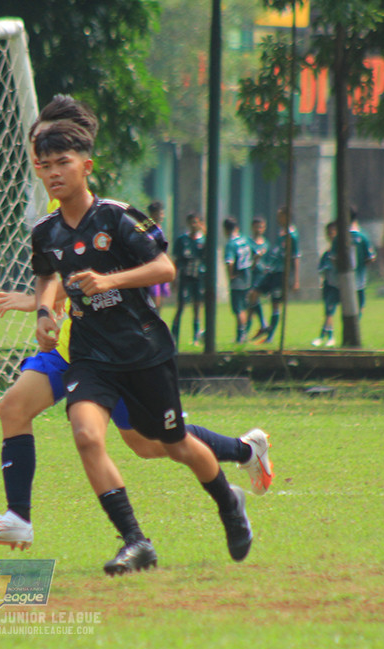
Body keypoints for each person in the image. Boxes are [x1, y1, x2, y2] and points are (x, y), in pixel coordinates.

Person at [31, 120, 254, 576]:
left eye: (63, 163)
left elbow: (165, 269)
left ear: (86, 166)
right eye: (45, 165)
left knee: (173, 444)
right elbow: (46, 276)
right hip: (91, 355)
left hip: (143, 351)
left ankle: (229, 503)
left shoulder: (118, 216)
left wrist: (109, 280)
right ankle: (135, 541)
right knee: (87, 435)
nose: (53, 173)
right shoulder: (46, 232)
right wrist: (43, 313)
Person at [0, 287, 273, 551]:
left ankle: (245, 450)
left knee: (148, 443)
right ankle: (18, 517)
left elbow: (93, 269)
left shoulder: (111, 219)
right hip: (70, 348)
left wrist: (39, 300)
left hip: (116, 354)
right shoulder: (53, 220)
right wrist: (45, 304)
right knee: (13, 408)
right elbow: (59, 267)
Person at [249, 207, 299, 343]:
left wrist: (295, 280)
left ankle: (269, 336)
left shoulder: (292, 235)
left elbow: (295, 257)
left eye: (280, 216)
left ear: (286, 216)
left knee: (275, 304)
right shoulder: (281, 233)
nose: (278, 219)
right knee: (253, 294)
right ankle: (264, 324)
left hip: (281, 273)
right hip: (272, 271)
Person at [170, 212, 206, 345]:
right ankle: (174, 336)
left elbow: (207, 258)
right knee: (181, 306)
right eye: (191, 222)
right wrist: (174, 278)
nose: (193, 225)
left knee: (197, 307)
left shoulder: (203, 240)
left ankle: (196, 336)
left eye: (196, 222)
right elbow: (176, 260)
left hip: (198, 276)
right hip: (185, 276)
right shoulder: (182, 240)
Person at [312, 222, 344, 347]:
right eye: (329, 232)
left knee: (330, 311)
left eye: (333, 232)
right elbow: (322, 269)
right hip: (328, 285)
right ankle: (328, 336)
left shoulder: (341, 253)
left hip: (338, 286)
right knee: (328, 311)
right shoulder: (327, 254)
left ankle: (324, 336)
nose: (331, 235)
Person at [222, 217, 253, 343]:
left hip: (237, 278)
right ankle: (243, 333)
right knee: (244, 307)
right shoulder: (244, 240)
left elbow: (230, 262)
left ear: (225, 229)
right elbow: (255, 254)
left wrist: (230, 276)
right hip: (247, 277)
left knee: (238, 308)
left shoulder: (231, 243)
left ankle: (241, 336)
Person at [350, 209, 377, 316]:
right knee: (359, 305)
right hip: (359, 277)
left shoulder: (340, 237)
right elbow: (371, 257)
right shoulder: (363, 236)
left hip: (343, 279)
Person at [146, 201, 171, 311]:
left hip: (161, 265)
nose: (162, 216)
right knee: (154, 299)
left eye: (162, 213)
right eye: (159, 213)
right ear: (152, 214)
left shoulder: (160, 228)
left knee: (161, 299)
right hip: (151, 266)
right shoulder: (146, 228)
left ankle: (158, 319)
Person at [248, 216, 269, 333]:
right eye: (256, 227)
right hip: (251, 273)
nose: (259, 229)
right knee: (252, 300)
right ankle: (259, 324)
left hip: (261, 274)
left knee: (253, 297)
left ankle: (261, 323)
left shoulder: (266, 243)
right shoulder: (248, 242)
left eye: (261, 227)